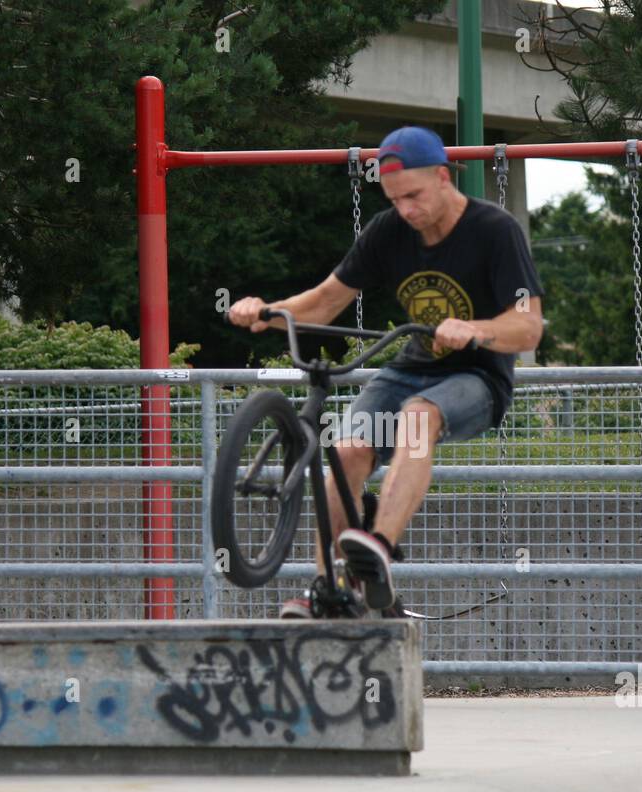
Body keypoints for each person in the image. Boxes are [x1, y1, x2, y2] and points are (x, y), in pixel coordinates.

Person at [227, 126, 544, 618]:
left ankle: (377, 548)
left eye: (414, 196)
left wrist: (476, 330)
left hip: (477, 378)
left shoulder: (494, 231)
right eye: (396, 200)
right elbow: (325, 301)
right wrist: (266, 311)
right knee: (346, 449)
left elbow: (528, 328)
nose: (407, 210)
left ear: (443, 177)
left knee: (418, 418)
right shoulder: (388, 231)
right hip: (411, 367)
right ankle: (328, 589)